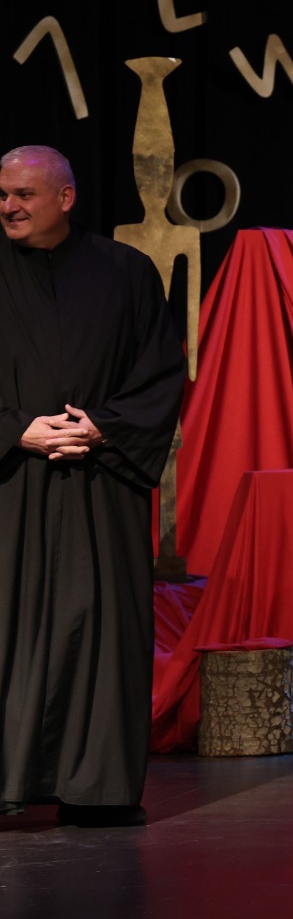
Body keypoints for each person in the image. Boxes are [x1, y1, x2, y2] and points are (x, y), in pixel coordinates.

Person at [1, 145, 185, 827]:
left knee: (99, 628)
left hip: (99, 479)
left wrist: (105, 427)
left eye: (23, 194)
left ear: (65, 197)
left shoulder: (125, 273)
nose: (9, 207)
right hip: (11, 480)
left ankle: (97, 787)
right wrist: (18, 430)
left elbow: (162, 371)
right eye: (2, 195)